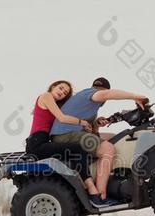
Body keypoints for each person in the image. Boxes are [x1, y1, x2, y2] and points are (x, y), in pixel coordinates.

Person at [50, 77, 148, 204]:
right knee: (108, 149)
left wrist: (96, 124)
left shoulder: (89, 106)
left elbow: (92, 133)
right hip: (65, 134)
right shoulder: (90, 93)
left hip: (70, 134)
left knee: (114, 138)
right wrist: (135, 97)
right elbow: (106, 94)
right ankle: (100, 195)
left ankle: (112, 177)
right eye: (103, 95)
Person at [25, 80, 111, 208]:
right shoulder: (46, 96)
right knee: (77, 148)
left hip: (44, 141)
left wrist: (94, 124)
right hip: (37, 143)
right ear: (53, 86)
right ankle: (92, 191)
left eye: (65, 93)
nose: (62, 92)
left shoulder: (55, 104)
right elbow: (62, 118)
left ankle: (86, 187)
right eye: (60, 88)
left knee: (75, 150)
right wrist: (81, 122)